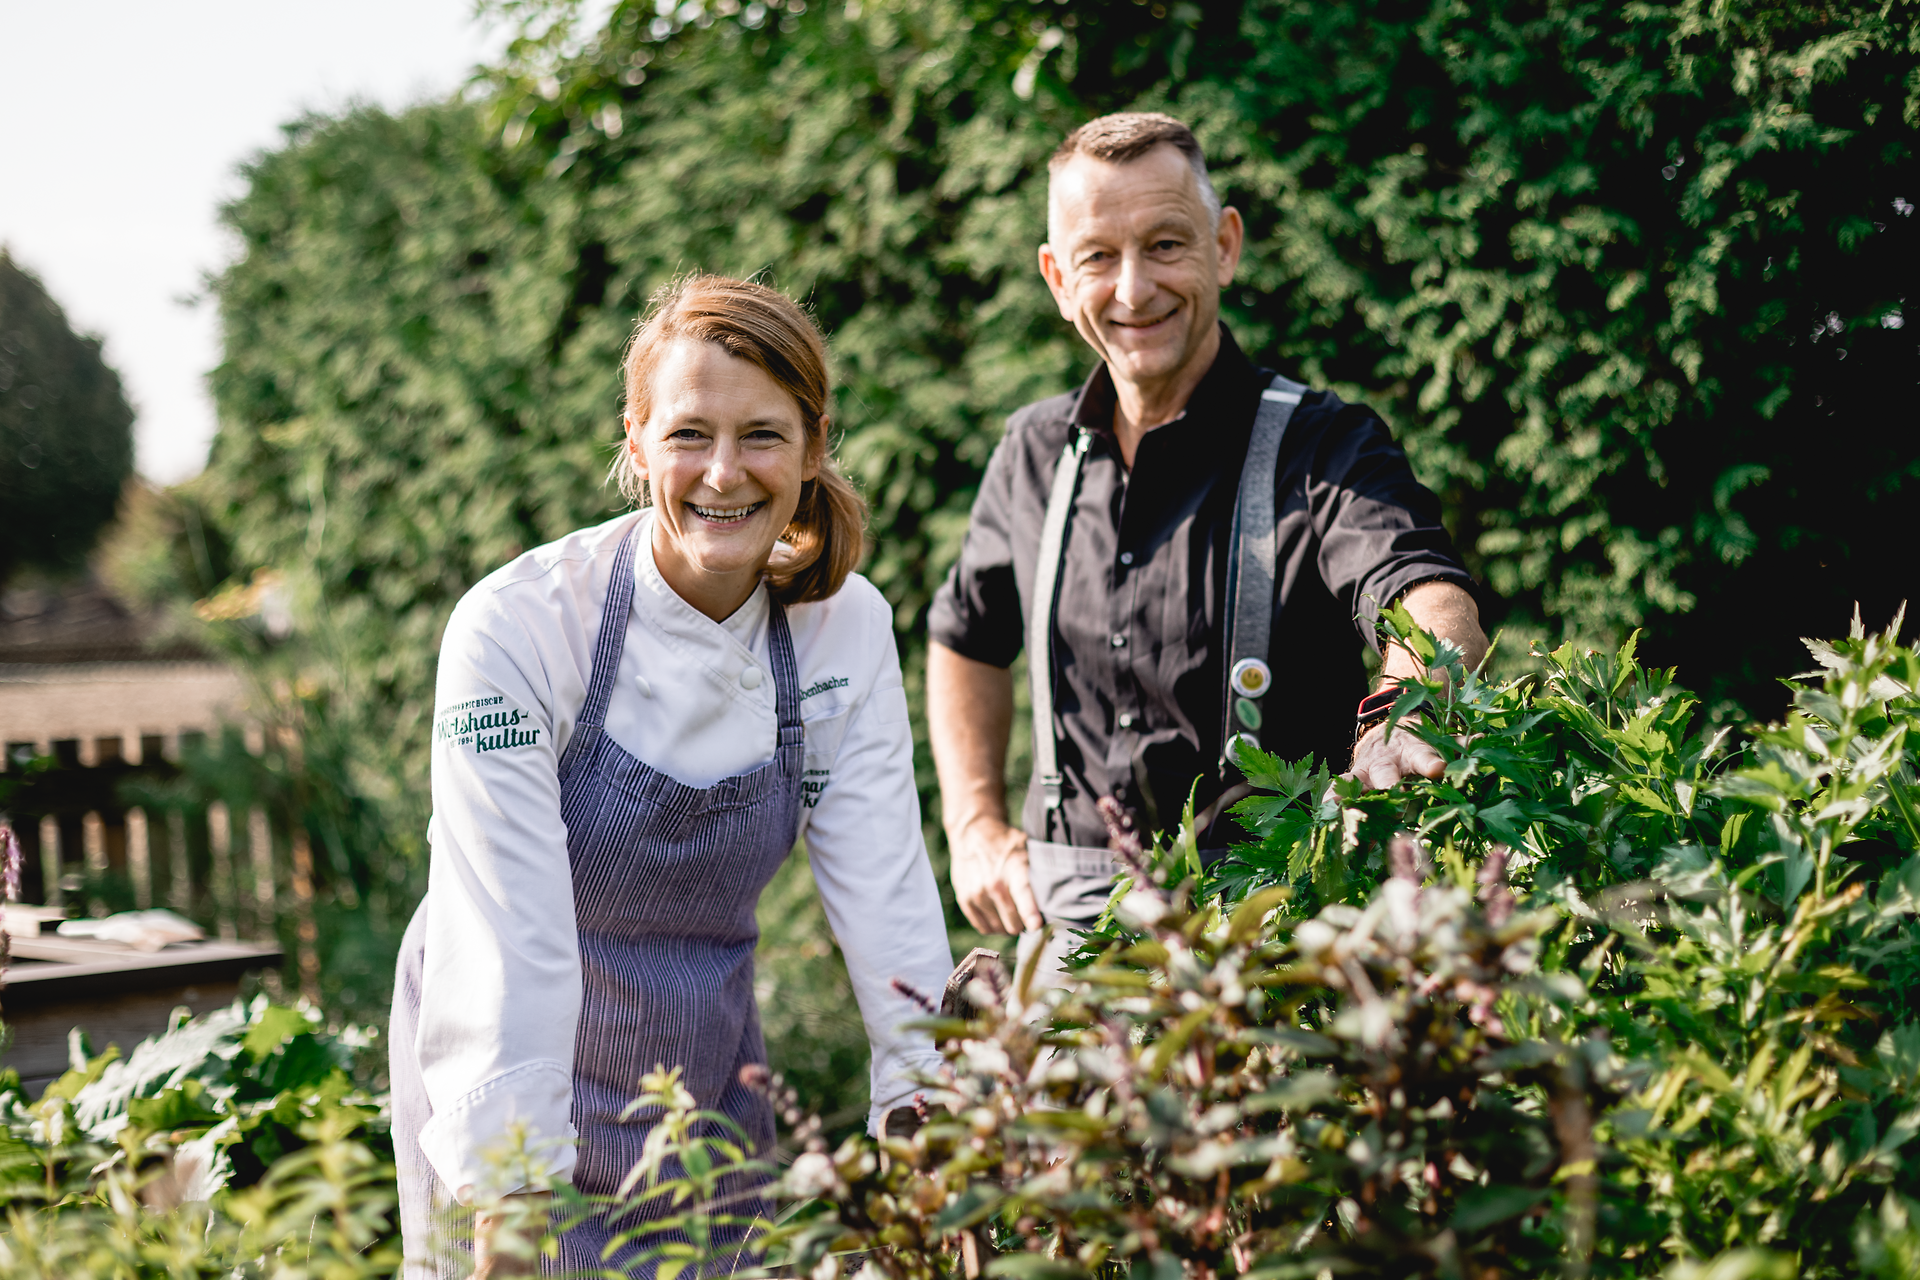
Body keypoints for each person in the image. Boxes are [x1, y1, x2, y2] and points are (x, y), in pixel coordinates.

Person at [390, 276, 953, 1278]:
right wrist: (512, 1192)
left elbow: (887, 895)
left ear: (815, 445)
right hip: (509, 1057)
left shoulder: (843, 625)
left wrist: (933, 1112)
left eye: (763, 435)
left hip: (703, 1060)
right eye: (690, 432)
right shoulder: (518, 627)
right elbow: (503, 923)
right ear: (637, 439)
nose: (724, 473)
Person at [927, 112, 1490, 970]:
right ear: (1056, 277)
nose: (1132, 290)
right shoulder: (1031, 454)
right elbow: (963, 637)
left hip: (1287, 941)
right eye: (1097, 258)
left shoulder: (1326, 446)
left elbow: (1428, 598)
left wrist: (1403, 714)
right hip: (1077, 949)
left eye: (1164, 245)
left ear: (1223, 247)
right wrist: (973, 826)